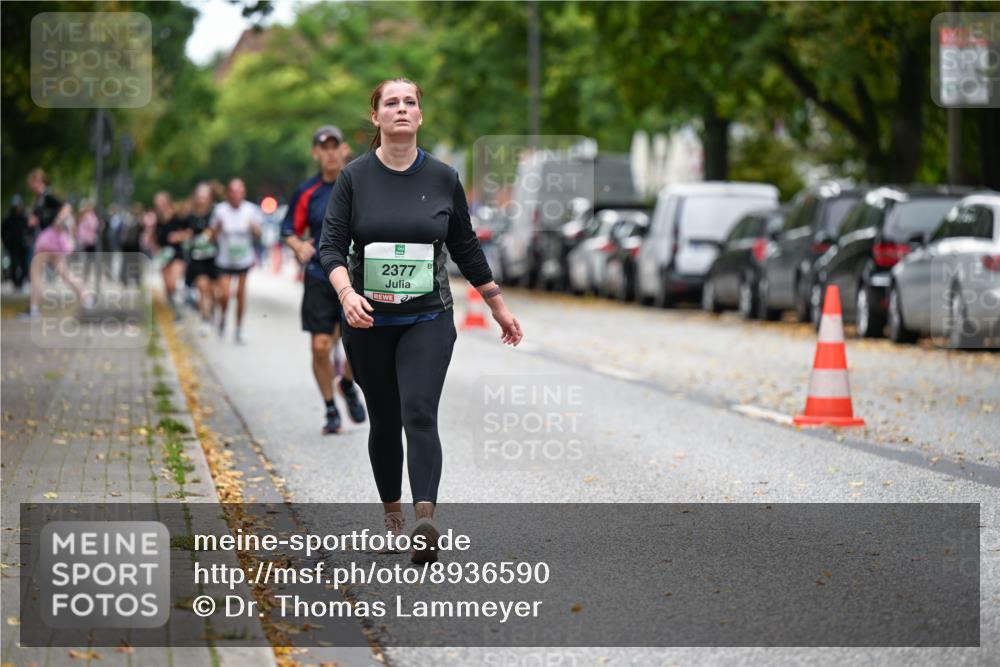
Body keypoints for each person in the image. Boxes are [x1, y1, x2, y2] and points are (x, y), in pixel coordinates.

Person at [319, 78, 523, 564]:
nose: (402, 109)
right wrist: (346, 294)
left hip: (427, 316)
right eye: (392, 103)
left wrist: (497, 304)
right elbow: (330, 245)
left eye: (410, 102)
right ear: (377, 118)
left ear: (420, 115)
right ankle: (392, 517)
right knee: (385, 420)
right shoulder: (354, 178)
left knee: (418, 411)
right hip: (368, 321)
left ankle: (424, 519)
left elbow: (466, 246)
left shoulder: (443, 177)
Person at [283, 125, 367, 435]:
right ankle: (331, 408)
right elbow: (288, 229)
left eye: (336, 146)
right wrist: (298, 245)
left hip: (358, 276)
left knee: (360, 347)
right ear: (315, 153)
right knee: (321, 346)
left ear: (344, 150)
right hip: (320, 276)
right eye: (324, 147)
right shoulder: (307, 191)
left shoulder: (361, 185)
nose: (331, 152)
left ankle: (347, 383)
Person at [22, 168, 90, 317]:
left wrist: (57, 222)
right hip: (49, 240)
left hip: (49, 239)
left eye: (32, 183)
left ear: (38, 181)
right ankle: (86, 296)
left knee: (36, 270)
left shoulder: (47, 195)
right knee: (63, 272)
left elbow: (66, 206)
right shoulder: (39, 198)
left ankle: (34, 308)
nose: (31, 186)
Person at [211, 178, 261, 344]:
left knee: (240, 295)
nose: (236, 194)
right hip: (224, 259)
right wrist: (217, 229)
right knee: (225, 295)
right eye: (233, 191)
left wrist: (254, 228)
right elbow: (211, 236)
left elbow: (260, 234)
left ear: (244, 193)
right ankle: (223, 316)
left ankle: (239, 329)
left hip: (243, 259)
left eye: (239, 191)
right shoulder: (219, 210)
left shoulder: (251, 210)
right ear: (228, 193)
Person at [185, 183, 219, 336]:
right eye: (199, 195)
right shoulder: (190, 215)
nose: (202, 199)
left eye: (205, 196)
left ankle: (210, 312)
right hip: (197, 258)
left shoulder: (216, 213)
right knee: (202, 287)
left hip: (214, 257)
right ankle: (205, 319)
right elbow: (185, 232)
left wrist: (212, 234)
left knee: (212, 292)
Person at [152, 191, 191, 320]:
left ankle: (181, 305)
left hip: (177, 254)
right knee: (167, 286)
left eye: (161, 202)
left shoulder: (177, 217)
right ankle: (174, 309)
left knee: (173, 282)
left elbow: (188, 233)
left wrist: (178, 237)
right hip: (163, 256)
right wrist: (154, 246)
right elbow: (154, 239)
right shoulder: (157, 220)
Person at [2, 195, 29, 290]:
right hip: (12, 245)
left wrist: (28, 239)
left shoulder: (24, 217)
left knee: (24, 264)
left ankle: (20, 282)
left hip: (23, 245)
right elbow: (3, 230)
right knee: (13, 264)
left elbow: (29, 229)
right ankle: (15, 283)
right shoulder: (8, 218)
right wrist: (5, 242)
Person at [76, 200, 100, 283]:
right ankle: (86, 275)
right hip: (90, 241)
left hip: (84, 240)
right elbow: (95, 226)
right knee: (89, 259)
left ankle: (85, 275)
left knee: (87, 259)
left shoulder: (83, 217)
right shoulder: (90, 216)